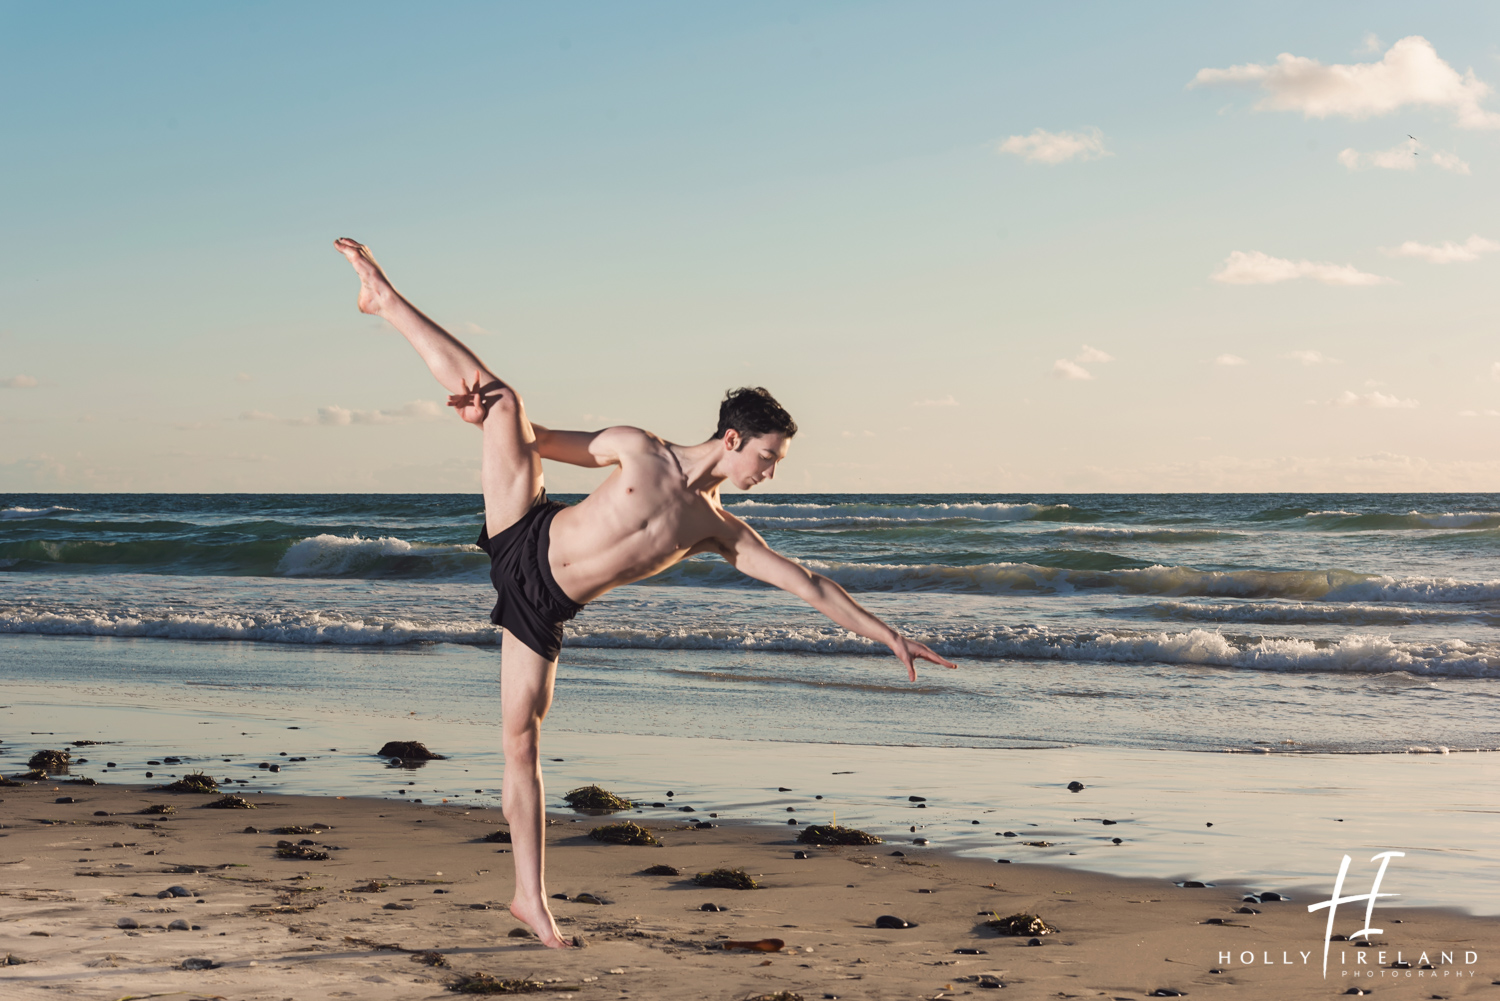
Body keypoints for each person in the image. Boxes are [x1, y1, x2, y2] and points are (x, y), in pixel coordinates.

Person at [333, 238, 957, 947]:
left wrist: (890, 635)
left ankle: (528, 898)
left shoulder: (718, 529)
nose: (770, 472)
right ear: (733, 438)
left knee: (520, 746)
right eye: (767, 458)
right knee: (503, 397)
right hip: (524, 531)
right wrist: (485, 423)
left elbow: (806, 581)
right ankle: (382, 298)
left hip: (545, 607)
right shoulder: (638, 446)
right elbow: (537, 440)